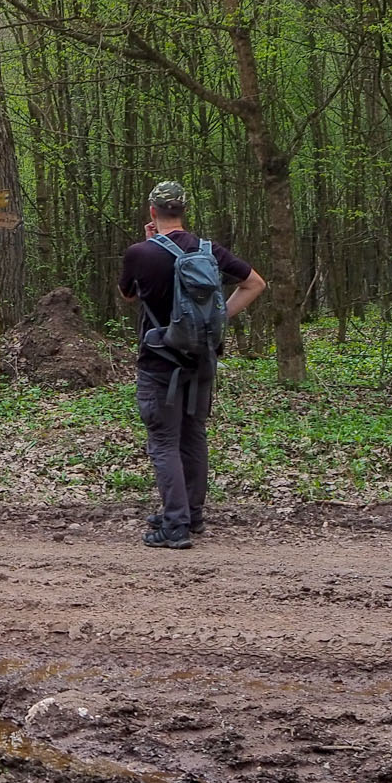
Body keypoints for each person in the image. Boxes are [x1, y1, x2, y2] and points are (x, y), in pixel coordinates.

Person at [118, 181, 265, 548]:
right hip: (201, 359)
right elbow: (255, 284)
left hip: (158, 361)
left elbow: (127, 295)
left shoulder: (139, 253)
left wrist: (146, 243)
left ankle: (175, 526)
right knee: (193, 435)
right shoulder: (208, 250)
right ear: (183, 211)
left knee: (164, 441)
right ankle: (191, 514)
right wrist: (218, 317)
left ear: (153, 211)